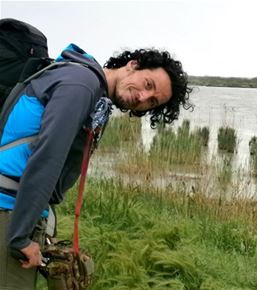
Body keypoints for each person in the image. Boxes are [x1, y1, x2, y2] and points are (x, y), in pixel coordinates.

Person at [0, 43, 192, 289]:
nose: (142, 98)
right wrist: (20, 237)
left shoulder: (92, 91)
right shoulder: (82, 84)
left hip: (17, 208)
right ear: (133, 65)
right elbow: (48, 156)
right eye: (148, 84)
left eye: (152, 102)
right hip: (9, 209)